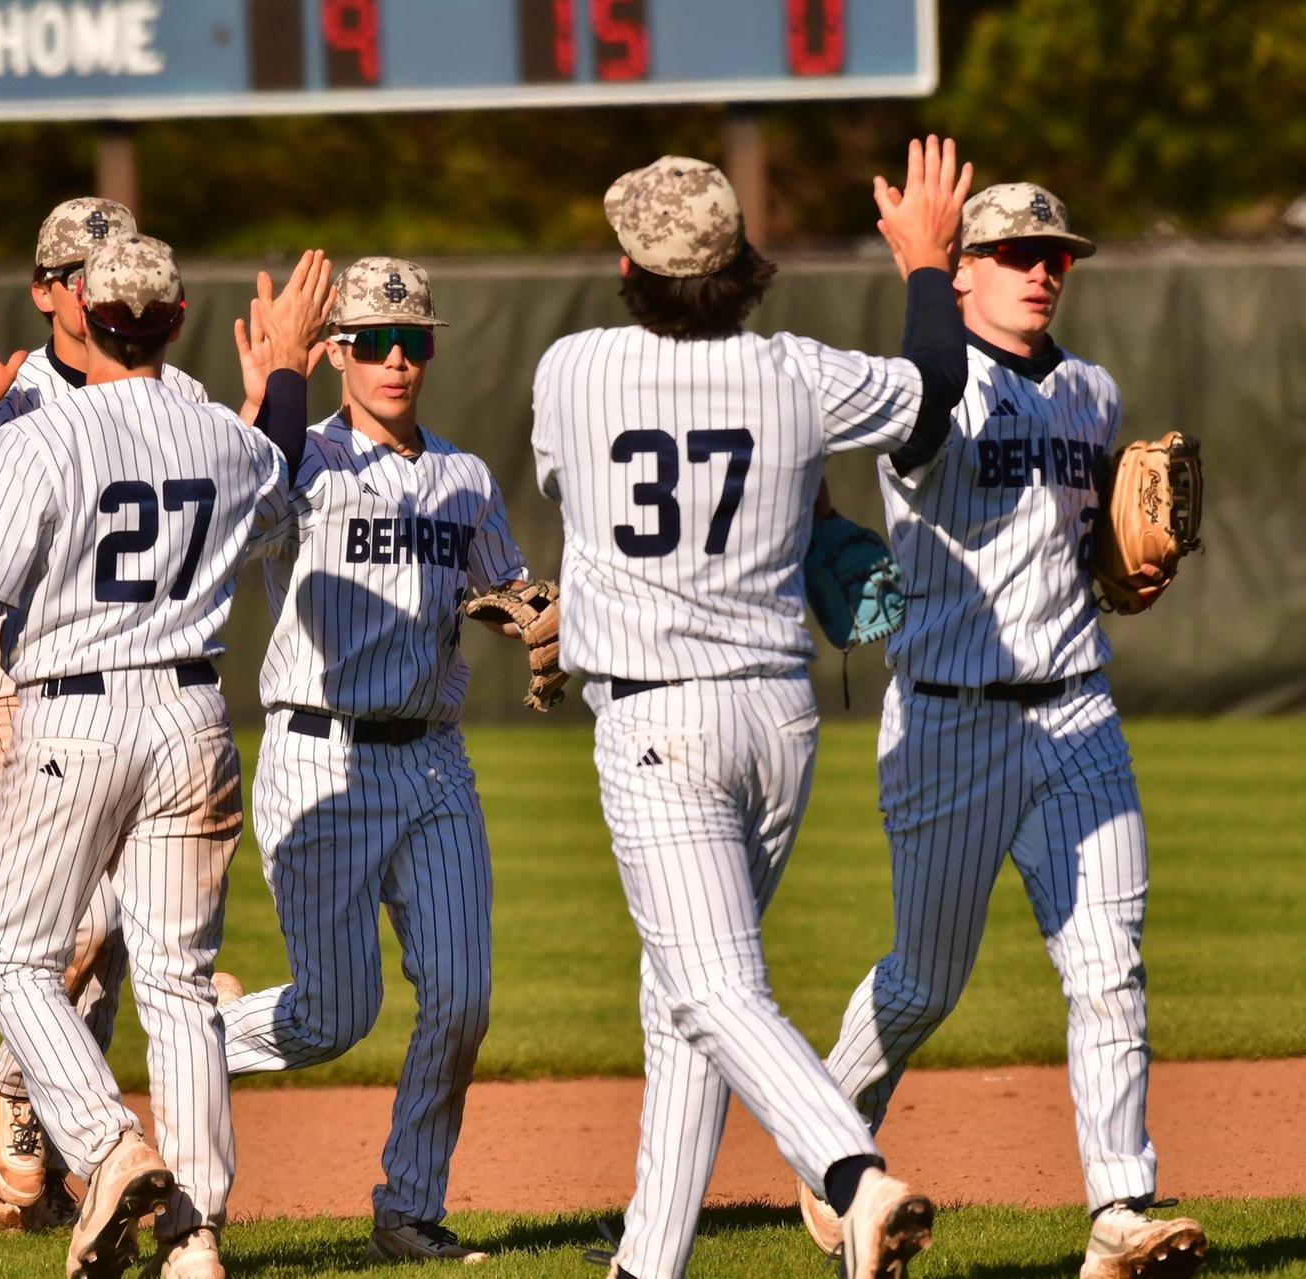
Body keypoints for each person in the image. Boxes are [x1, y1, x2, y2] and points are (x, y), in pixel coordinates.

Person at [0, 236, 331, 1279]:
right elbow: (284, 465)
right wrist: (285, 364)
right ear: (176, 319)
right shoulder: (220, 431)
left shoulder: (45, 436)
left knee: (17, 959)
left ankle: (110, 1148)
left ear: (86, 315)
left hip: (73, 718)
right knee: (180, 981)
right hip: (195, 719)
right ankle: (194, 1239)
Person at [530, 140, 972, 1279]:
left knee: (716, 988)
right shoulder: (797, 375)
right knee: (684, 997)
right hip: (776, 720)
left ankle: (851, 1174)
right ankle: (649, 1260)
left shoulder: (572, 369)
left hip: (660, 725)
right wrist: (927, 260)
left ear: (631, 269)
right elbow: (931, 397)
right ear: (739, 264)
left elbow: (571, 492)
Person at [804, 182, 1208, 1279]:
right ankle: (826, 1139)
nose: (1041, 269)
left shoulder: (1090, 392)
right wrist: (916, 273)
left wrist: (1123, 574)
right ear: (965, 269)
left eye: (1056, 255)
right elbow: (926, 417)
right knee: (924, 981)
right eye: (1015, 251)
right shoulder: (924, 394)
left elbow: (1078, 553)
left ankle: (1119, 1207)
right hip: (949, 718)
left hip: (1077, 710)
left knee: (1106, 967)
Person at [0, 197, 210, 1229]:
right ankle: (31, 1096)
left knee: (109, 928)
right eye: (78, 267)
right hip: (8, 675)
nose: (95, 282)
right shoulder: (12, 393)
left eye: (112, 264)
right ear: (44, 291)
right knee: (93, 913)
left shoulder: (172, 392)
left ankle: (38, 1105)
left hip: (129, 687)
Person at [219, 257, 531, 1264]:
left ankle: (410, 1206)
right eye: (374, 342)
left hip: (436, 764)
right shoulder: (302, 459)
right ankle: (202, 1043)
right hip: (321, 757)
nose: (398, 359)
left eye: (415, 341)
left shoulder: (465, 477)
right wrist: (271, 382)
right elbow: (237, 511)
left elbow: (505, 589)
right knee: (334, 1013)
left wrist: (534, 616)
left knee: (462, 995)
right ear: (337, 352)